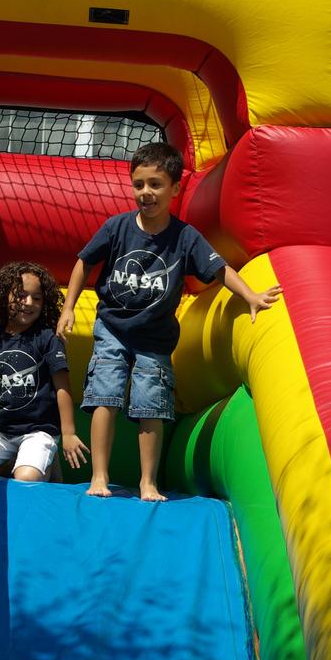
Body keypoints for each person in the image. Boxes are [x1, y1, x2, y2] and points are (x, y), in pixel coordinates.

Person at [57, 142, 282, 501]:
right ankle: (99, 477)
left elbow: (219, 269)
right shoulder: (116, 228)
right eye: (139, 185)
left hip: (155, 337)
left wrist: (251, 296)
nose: (146, 193)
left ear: (175, 188)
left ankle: (148, 482)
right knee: (106, 395)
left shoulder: (184, 237)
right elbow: (84, 261)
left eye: (156, 185)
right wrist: (68, 308)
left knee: (151, 404)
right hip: (113, 327)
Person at [0, 261, 89, 481]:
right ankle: (10, 465)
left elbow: (62, 386)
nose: (28, 303)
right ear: (3, 297)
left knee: (26, 478)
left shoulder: (47, 338)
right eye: (20, 295)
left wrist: (68, 433)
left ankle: (43, 461)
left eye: (36, 298)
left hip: (39, 429)